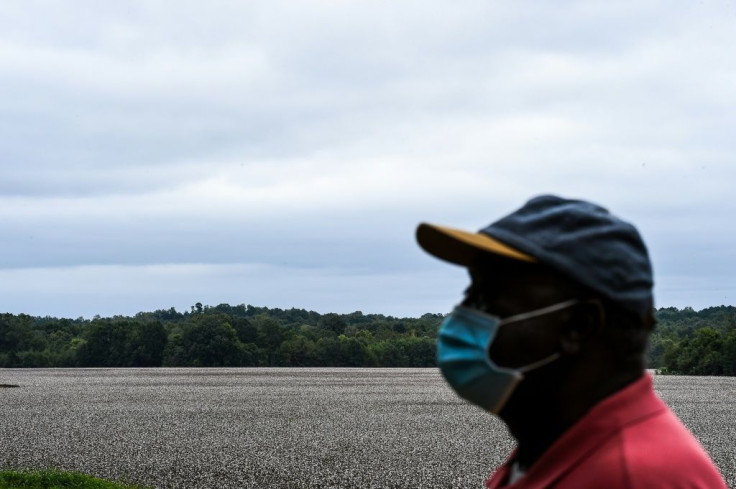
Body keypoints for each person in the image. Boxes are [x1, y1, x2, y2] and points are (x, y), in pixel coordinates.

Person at [416, 195, 727, 489]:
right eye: (470, 293)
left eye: (489, 297)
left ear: (579, 326)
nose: (461, 315)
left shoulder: (633, 477)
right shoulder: (548, 446)